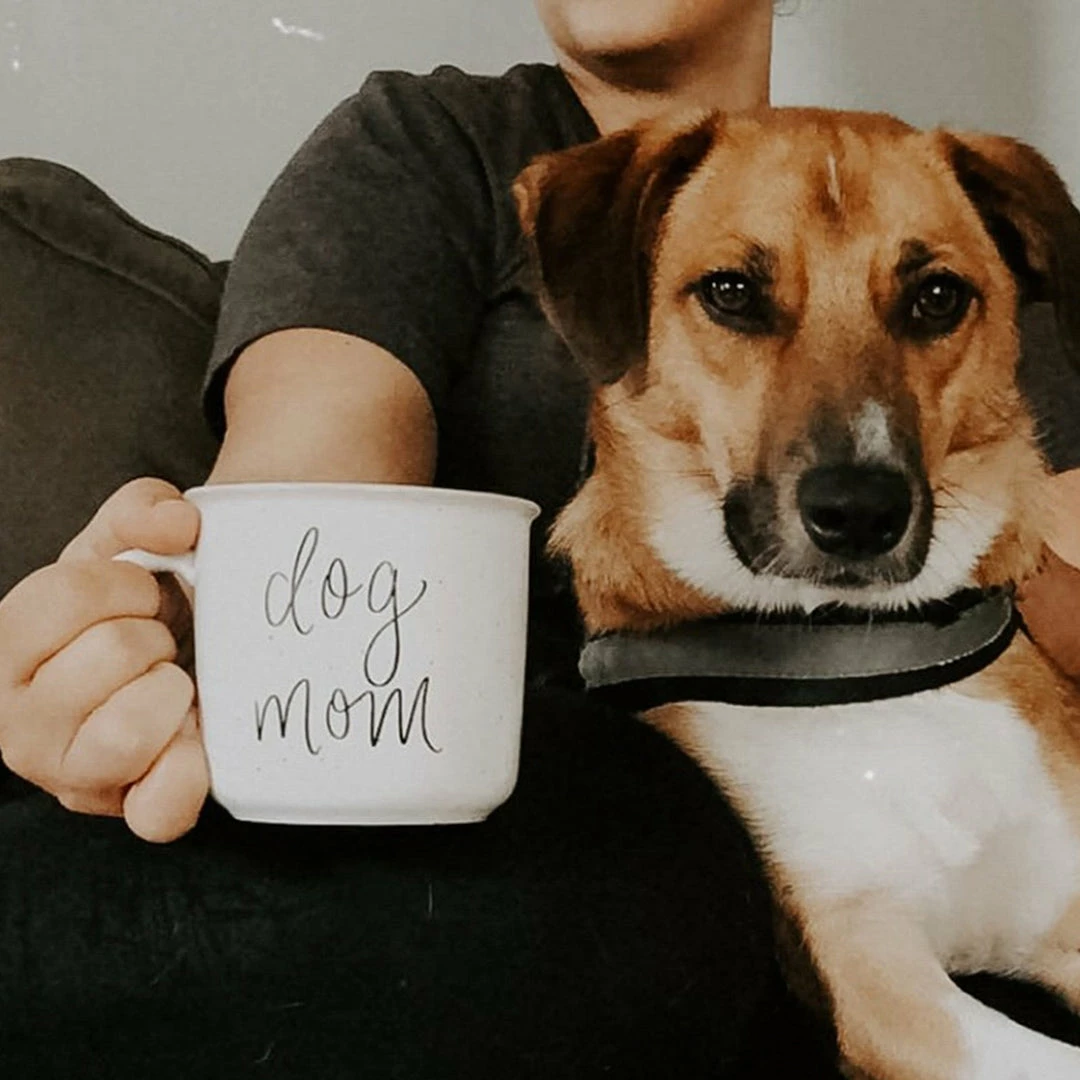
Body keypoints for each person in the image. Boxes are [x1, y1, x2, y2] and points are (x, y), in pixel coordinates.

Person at [2, 1, 1080, 1075]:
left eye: (931, 303)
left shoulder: (950, 204)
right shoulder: (428, 147)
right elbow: (313, 475)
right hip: (553, 794)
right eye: (735, 295)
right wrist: (190, 625)